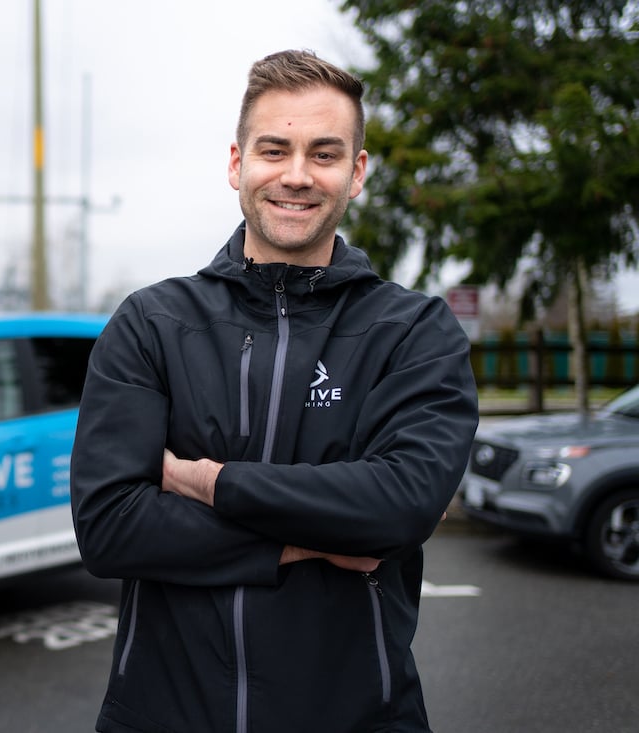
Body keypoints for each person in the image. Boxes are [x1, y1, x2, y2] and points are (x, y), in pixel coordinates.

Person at [69, 49, 479, 733]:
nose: (295, 175)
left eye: (324, 153)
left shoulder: (414, 331)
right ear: (238, 164)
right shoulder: (152, 323)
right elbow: (110, 528)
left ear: (357, 172)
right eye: (274, 149)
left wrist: (212, 481)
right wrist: (306, 542)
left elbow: (399, 507)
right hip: (161, 716)